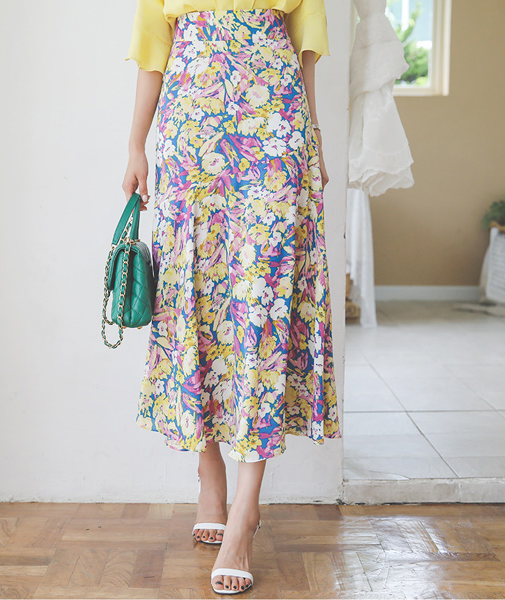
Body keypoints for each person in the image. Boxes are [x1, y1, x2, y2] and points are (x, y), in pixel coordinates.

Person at [122, 0, 341, 594]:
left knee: (263, 303)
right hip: (190, 126)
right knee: (193, 296)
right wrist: (137, 144)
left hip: (277, 124)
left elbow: (304, 46)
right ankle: (209, 471)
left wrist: (313, 136)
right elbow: (153, 47)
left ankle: (245, 510)